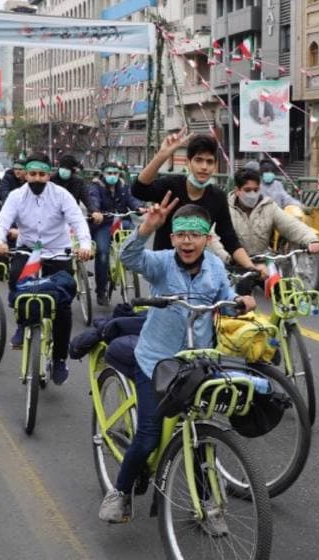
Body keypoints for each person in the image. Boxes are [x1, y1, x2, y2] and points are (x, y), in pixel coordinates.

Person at [97, 194, 254, 524]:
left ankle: (209, 504)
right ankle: (120, 491)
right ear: (172, 238)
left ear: (206, 239)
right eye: (181, 234)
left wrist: (239, 301)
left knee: (198, 433)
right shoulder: (162, 262)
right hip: (156, 361)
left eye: (195, 235)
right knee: (149, 435)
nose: (187, 241)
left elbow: (224, 300)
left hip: (199, 362)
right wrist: (144, 230)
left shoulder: (213, 265)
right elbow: (130, 259)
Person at [0, 152, 91, 363]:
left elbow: (78, 222)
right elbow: (2, 222)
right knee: (17, 281)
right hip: (29, 250)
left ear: (49, 175)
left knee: (63, 305)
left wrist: (84, 246)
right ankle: (21, 323)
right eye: (33, 174)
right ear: (26, 175)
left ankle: (59, 359)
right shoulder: (16, 196)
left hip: (57, 250)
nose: (37, 178)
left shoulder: (62, 195)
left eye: (42, 174)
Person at [130, 131, 266, 276]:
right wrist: (162, 155)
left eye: (209, 161)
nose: (204, 167)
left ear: (215, 165)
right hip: (164, 270)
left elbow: (229, 238)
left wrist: (251, 267)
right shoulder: (171, 186)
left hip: (197, 272)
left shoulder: (218, 197)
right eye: (198, 160)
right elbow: (139, 190)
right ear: (188, 163)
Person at [207, 163, 319, 265]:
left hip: (263, 263)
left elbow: (290, 225)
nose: (252, 194)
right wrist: (227, 257)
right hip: (235, 265)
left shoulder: (269, 206)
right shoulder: (225, 208)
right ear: (237, 191)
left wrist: (311, 239)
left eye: (256, 190)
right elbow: (214, 238)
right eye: (247, 190)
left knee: (278, 287)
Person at [88, 159, 141, 306]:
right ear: (103, 174)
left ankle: (132, 262)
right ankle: (101, 291)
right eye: (109, 173)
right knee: (103, 254)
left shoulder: (124, 186)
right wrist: (96, 211)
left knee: (137, 235)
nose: (113, 175)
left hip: (122, 221)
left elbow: (132, 200)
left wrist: (139, 207)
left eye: (115, 173)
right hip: (104, 224)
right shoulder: (95, 187)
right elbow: (93, 200)